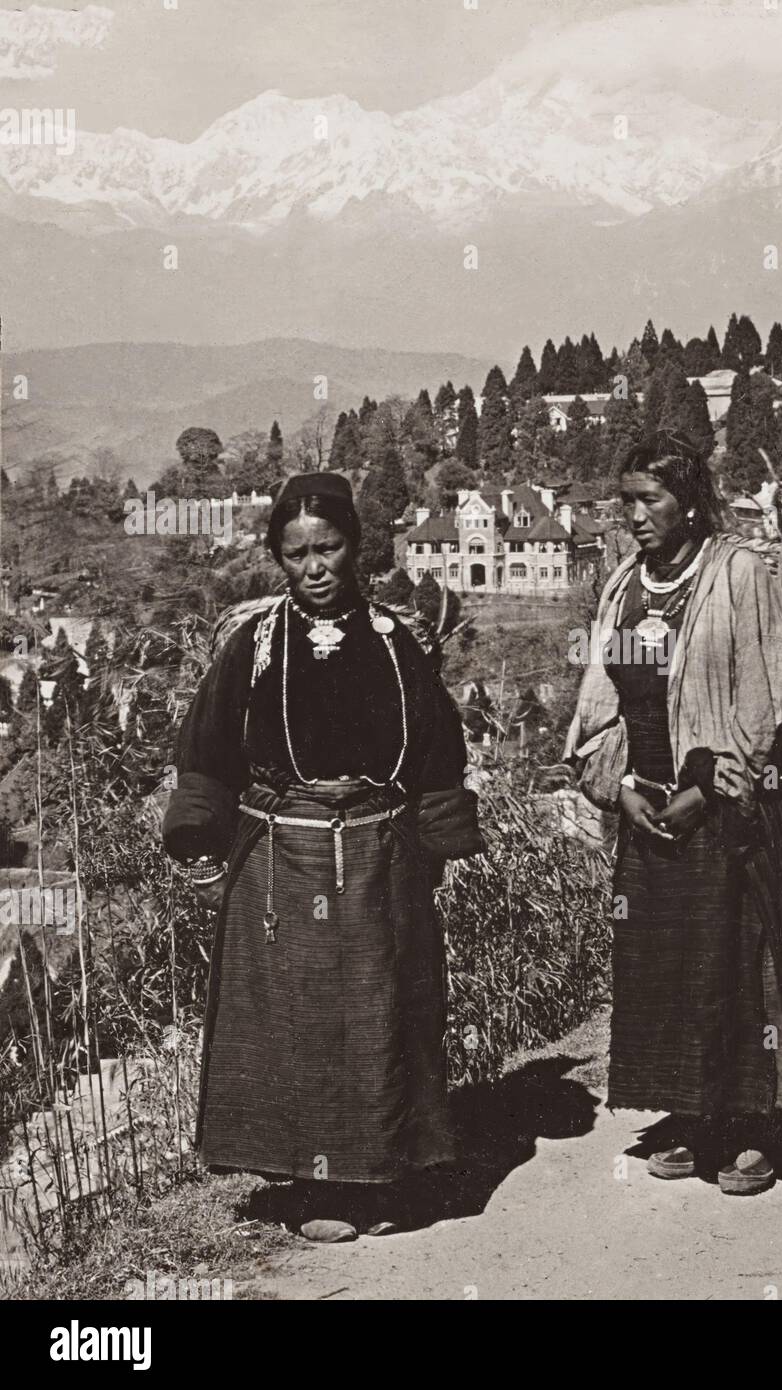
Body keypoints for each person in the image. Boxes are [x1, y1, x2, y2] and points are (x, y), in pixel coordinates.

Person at [162, 471, 481, 1239]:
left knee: (381, 1010)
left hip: (380, 850)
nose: (314, 567)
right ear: (279, 556)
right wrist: (203, 850)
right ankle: (317, 1187)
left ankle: (386, 1173)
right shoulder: (256, 642)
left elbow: (438, 749)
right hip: (283, 851)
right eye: (296, 552)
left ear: (356, 547)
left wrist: (435, 844)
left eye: (329, 548)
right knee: (300, 1018)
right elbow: (205, 749)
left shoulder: (397, 639)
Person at [565, 433, 782, 1195]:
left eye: (651, 499)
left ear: (690, 500)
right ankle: (688, 1116)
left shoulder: (737, 573)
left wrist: (707, 788)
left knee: (734, 968)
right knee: (662, 969)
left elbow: (767, 693)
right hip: (644, 804)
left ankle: (748, 1126)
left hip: (721, 810)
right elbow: (602, 699)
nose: (637, 515)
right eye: (628, 501)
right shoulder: (625, 583)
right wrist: (614, 784)